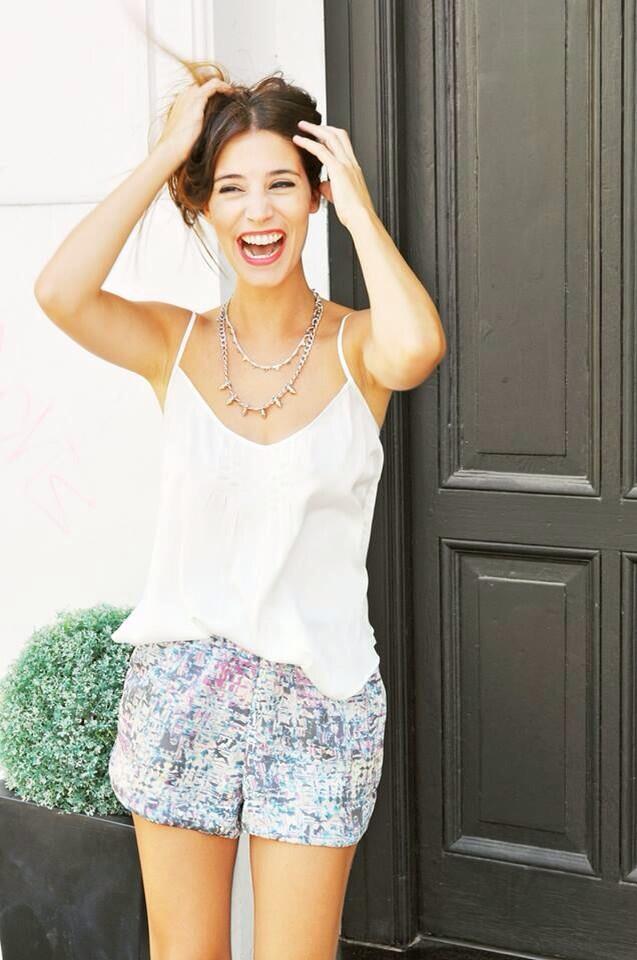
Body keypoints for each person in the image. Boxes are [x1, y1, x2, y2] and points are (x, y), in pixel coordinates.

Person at [34, 61, 446, 960]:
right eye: (230, 188)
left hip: (320, 700)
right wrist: (165, 157)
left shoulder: (359, 345)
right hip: (182, 693)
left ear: (314, 195)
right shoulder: (172, 341)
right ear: (204, 207)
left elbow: (419, 346)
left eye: (281, 185)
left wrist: (359, 209)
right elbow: (59, 292)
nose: (258, 211)